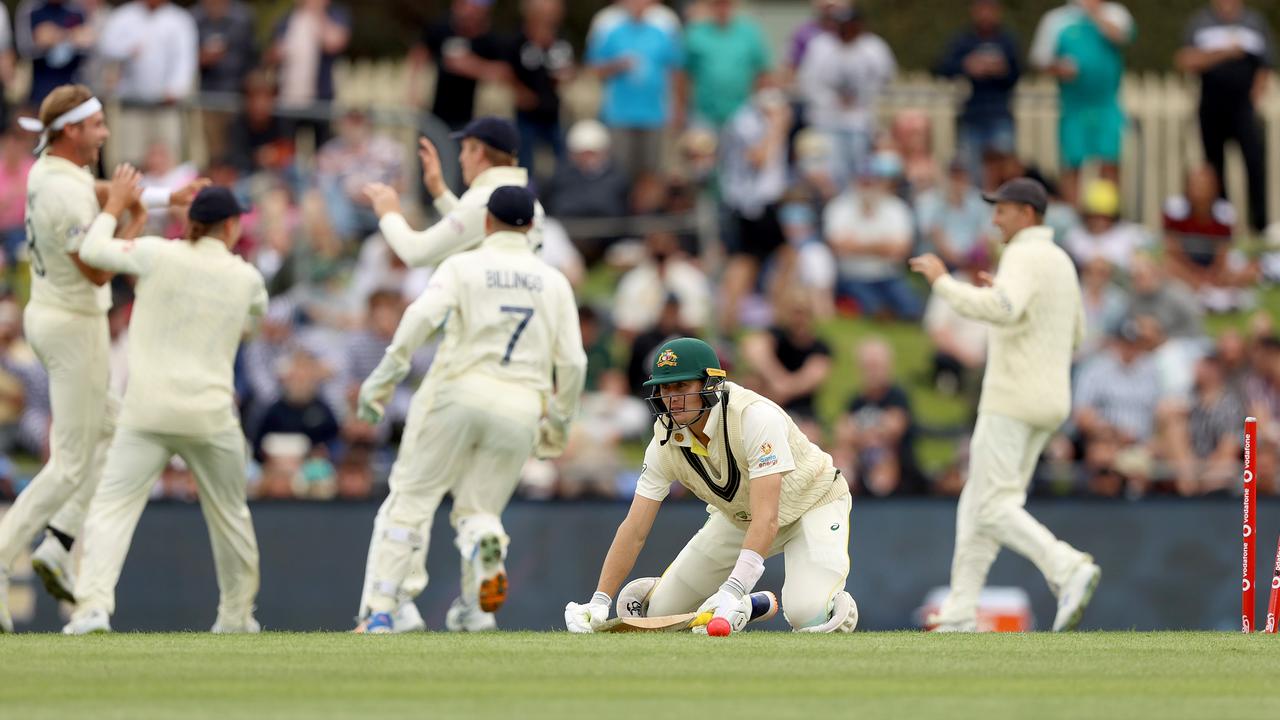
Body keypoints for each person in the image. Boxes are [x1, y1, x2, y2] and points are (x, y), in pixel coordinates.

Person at [0, 84, 202, 633]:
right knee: (70, 463)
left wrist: (167, 198)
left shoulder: (53, 171)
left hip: (57, 316)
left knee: (121, 431)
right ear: (72, 130)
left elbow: (104, 191)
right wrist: (127, 216)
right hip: (74, 326)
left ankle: (60, 543)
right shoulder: (65, 191)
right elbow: (98, 267)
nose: (105, 135)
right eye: (97, 127)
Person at [354, 186, 586, 632]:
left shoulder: (462, 266)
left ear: (486, 222)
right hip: (521, 406)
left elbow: (419, 319)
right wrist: (558, 421)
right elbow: (574, 362)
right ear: (532, 229)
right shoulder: (554, 281)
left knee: (412, 500)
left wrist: (382, 380)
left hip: (458, 394)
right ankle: (478, 603)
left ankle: (383, 610)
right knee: (480, 511)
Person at [61, 176, 265, 635]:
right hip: (211, 416)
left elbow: (94, 250)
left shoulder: (155, 253)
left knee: (112, 508)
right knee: (230, 515)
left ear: (190, 222)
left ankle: (92, 607)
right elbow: (254, 318)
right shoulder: (247, 277)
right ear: (231, 226)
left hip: (147, 412)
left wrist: (116, 208)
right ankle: (235, 618)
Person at [564, 337, 857, 635]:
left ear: (711, 385)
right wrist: (599, 601)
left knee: (807, 615)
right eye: (665, 388)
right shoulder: (663, 441)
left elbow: (767, 518)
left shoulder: (754, 417)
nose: (672, 399)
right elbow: (634, 528)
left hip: (812, 504)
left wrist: (731, 590)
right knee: (659, 616)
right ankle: (748, 604)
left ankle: (828, 605)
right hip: (741, 519)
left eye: (682, 387)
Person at [909, 177, 1101, 632]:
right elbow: (1075, 334)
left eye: (1003, 209)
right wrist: (1009, 303)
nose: (994, 218)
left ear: (1028, 214)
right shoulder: (1060, 261)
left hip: (1011, 399)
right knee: (979, 502)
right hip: (1049, 400)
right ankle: (959, 611)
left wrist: (943, 284)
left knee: (992, 505)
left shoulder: (1023, 254)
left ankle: (1067, 566)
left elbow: (1003, 309)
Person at [370, 116, 544, 269]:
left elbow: (417, 253)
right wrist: (439, 192)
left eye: (465, 149)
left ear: (479, 152)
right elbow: (474, 225)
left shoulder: (484, 199)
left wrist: (389, 214)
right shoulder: (529, 202)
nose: (461, 158)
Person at [1176, 0, 1274, 234]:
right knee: (1214, 168)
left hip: (1243, 107)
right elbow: (1184, 60)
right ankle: (1221, 227)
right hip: (1211, 106)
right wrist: (1223, 53)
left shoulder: (1255, 23)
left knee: (1255, 165)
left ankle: (1259, 226)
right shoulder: (1200, 23)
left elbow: (1266, 63)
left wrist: (1257, 91)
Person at [1029, 0, 1135, 201]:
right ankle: (1074, 220)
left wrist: (1094, 14)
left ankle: (1106, 216)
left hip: (1107, 105)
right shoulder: (1056, 19)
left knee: (1109, 163)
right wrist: (1058, 68)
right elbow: (1039, 59)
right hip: (1073, 107)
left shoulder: (1115, 13)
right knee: (1072, 165)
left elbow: (1122, 37)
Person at [585, 0, 683, 182]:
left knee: (652, 170)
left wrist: (677, 106)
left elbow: (674, 71)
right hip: (620, 114)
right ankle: (622, 209)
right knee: (621, 169)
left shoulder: (660, 33)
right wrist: (617, 65)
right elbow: (595, 70)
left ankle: (647, 209)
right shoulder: (613, 32)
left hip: (654, 113)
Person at [96, 0, 198, 164]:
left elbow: (185, 60)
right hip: (130, 104)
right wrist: (127, 50)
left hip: (166, 105)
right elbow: (105, 47)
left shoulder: (180, 19)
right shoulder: (123, 16)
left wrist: (176, 89)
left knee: (167, 155)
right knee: (131, 157)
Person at [935, 0, 1021, 181]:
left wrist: (1001, 70)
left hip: (999, 112)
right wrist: (966, 66)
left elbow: (1018, 72)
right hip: (972, 115)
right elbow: (942, 68)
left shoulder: (1007, 40)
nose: (986, 14)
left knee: (1003, 168)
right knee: (972, 169)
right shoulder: (964, 40)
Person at [679, 0, 772, 129]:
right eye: (718, 4)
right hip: (704, 113)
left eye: (726, 4)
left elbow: (763, 72)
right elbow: (683, 75)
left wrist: (760, 104)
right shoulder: (695, 34)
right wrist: (681, 108)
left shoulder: (750, 33)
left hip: (740, 113)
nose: (722, 8)